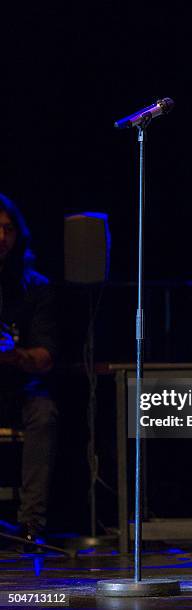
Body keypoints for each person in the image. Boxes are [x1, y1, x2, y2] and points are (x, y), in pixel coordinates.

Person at [0, 193, 58, 548]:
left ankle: (30, 524)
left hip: (19, 387)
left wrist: (12, 354)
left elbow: (46, 356)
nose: (1, 237)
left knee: (45, 413)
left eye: (7, 229)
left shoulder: (35, 286)